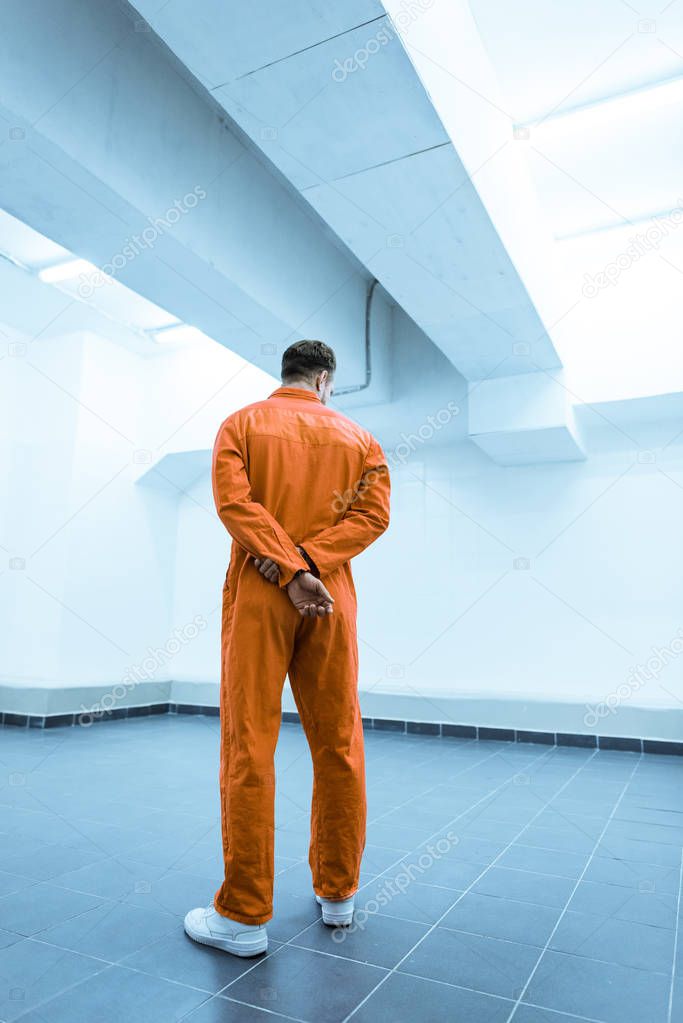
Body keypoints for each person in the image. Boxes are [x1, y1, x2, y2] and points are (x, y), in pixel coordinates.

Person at [184, 339, 391, 956]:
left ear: (286, 375)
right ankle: (339, 893)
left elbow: (234, 505)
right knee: (339, 743)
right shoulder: (362, 441)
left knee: (250, 744)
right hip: (329, 598)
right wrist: (312, 566)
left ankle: (244, 919)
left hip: (261, 593)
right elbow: (373, 517)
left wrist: (284, 566)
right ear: (325, 380)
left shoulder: (241, 423)